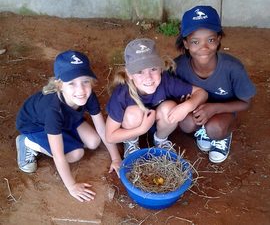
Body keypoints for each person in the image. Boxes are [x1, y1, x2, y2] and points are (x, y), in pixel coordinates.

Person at [16, 50, 122, 202]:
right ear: (59, 85)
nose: (81, 90)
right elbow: (58, 154)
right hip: (35, 125)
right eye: (71, 83)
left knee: (93, 141)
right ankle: (27, 142)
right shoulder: (53, 110)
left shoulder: (88, 95)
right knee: (75, 154)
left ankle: (64, 131)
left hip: (66, 118)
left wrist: (116, 158)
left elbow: (101, 128)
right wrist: (71, 186)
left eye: (85, 81)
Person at [174, 5, 256, 163]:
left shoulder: (233, 68)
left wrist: (214, 108)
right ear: (185, 43)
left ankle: (222, 134)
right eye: (195, 41)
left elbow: (246, 104)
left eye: (210, 40)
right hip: (196, 111)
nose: (203, 47)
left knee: (216, 128)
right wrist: (184, 103)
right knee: (186, 123)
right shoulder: (178, 67)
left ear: (218, 39)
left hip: (223, 111)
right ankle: (203, 130)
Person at [105, 38, 208, 158]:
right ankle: (131, 143)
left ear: (161, 68)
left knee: (170, 107)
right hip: (133, 128)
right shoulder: (121, 94)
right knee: (133, 112)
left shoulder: (166, 81)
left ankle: (161, 140)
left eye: (153, 69)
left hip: (159, 124)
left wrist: (187, 106)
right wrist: (141, 129)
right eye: (140, 72)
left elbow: (202, 93)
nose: (148, 77)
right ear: (129, 74)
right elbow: (110, 136)